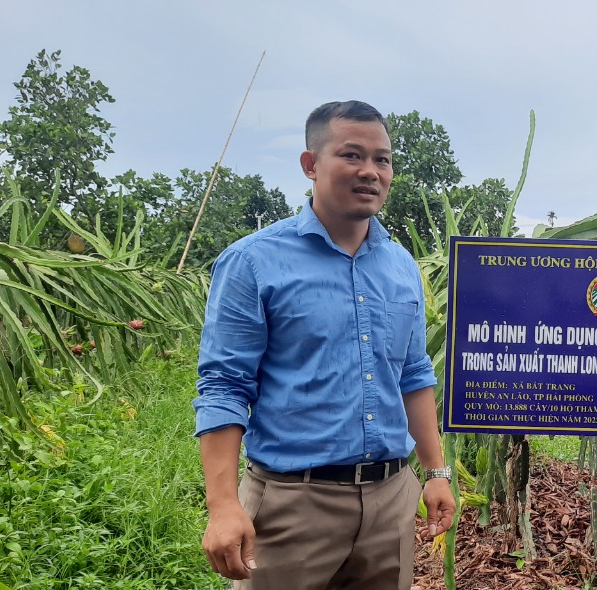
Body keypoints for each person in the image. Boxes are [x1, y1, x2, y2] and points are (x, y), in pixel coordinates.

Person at [193, 100, 455, 589]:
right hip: (293, 505)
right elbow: (224, 386)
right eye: (351, 155)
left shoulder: (401, 268)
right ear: (310, 165)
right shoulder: (253, 262)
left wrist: (435, 470)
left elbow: (413, 374)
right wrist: (224, 505)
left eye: (383, 159)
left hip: (391, 500)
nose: (370, 172)